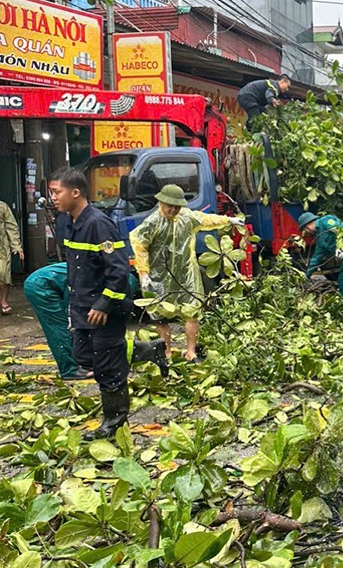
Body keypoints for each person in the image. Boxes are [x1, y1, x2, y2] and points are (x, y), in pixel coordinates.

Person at [48, 167, 132, 440]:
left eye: (56, 192)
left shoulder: (98, 223)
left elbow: (119, 270)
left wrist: (104, 304)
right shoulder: (71, 223)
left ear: (75, 192)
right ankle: (144, 351)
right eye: (51, 192)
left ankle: (115, 423)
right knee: (83, 357)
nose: (53, 198)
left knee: (108, 366)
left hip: (104, 310)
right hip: (83, 307)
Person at [130, 184, 243, 363]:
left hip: (186, 275)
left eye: (177, 206)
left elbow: (206, 220)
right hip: (159, 277)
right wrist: (143, 273)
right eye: (170, 205)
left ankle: (191, 352)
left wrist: (229, 221)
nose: (173, 209)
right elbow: (140, 246)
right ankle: (165, 353)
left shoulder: (186, 217)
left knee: (193, 312)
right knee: (160, 316)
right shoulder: (151, 223)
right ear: (161, 201)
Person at [23, 262, 168, 380]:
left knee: (85, 330)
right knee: (58, 328)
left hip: (52, 283)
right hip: (42, 286)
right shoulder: (100, 280)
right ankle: (69, 370)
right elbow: (74, 307)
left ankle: (87, 361)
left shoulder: (106, 277)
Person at [298, 212, 343, 300]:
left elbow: (341, 230)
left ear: (308, 225)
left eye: (305, 229)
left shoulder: (326, 221)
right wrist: (307, 275)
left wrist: (339, 247)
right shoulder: (319, 238)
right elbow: (316, 258)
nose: (306, 232)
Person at [0, 200, 23, 315]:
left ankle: (3, 300)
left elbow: (11, 227)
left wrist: (17, 247)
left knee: (4, 274)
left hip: (2, 248)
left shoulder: (2, 207)